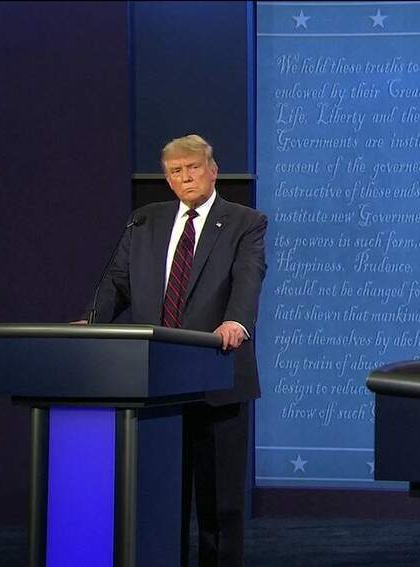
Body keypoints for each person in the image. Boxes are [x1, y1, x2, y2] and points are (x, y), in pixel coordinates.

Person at [84, 134, 266, 567]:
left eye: (193, 168)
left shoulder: (245, 222)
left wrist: (236, 322)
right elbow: (117, 282)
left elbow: (249, 276)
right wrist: (92, 322)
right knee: (160, 498)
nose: (185, 178)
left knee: (219, 502)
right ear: (167, 179)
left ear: (213, 170)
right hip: (154, 384)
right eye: (175, 171)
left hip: (217, 373)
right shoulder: (145, 221)